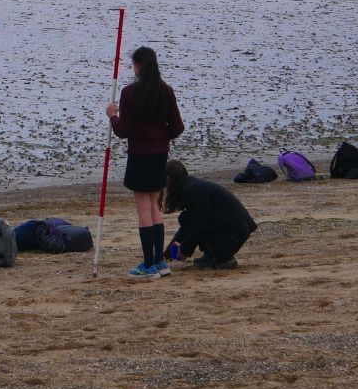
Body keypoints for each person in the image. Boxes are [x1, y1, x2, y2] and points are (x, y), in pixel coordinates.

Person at [106, 46, 184, 279]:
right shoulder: (166, 91)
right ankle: (160, 262)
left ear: (138, 66)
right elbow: (178, 127)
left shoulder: (130, 93)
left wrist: (112, 116)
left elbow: (124, 130)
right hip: (159, 155)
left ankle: (149, 264)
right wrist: (161, 137)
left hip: (140, 155)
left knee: (144, 208)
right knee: (154, 206)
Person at [161, 159, 257, 269]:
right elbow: (186, 226)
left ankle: (221, 258)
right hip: (238, 228)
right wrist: (167, 255)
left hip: (234, 231)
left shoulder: (192, 190)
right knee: (186, 219)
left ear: (168, 181)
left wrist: (184, 250)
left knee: (199, 223)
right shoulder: (191, 187)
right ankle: (213, 255)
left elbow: (199, 225)